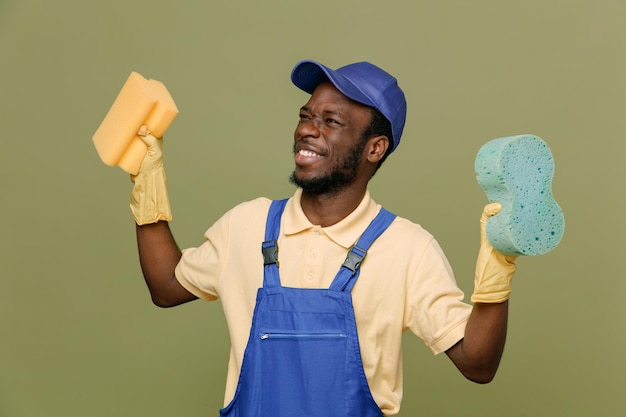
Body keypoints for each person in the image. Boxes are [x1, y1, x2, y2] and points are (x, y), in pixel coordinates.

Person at [129, 60, 517, 416]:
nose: (307, 129)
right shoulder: (245, 225)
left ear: (375, 148)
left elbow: (477, 364)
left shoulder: (409, 249)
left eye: (331, 121)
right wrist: (148, 188)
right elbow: (167, 286)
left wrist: (497, 272)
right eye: (306, 115)